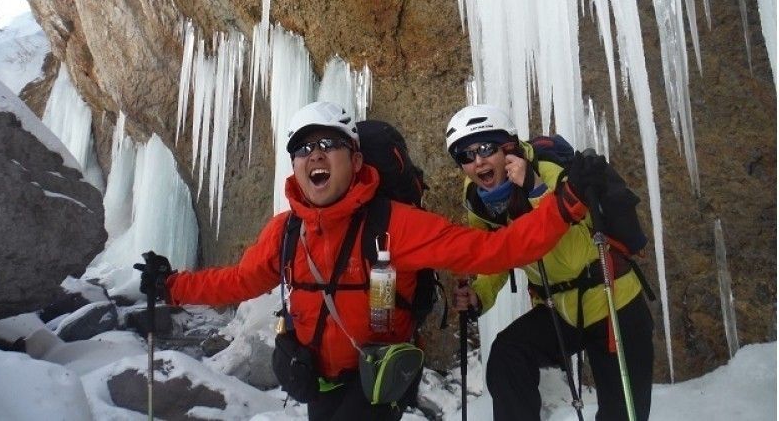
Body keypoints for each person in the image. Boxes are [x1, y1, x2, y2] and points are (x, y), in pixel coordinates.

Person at [137, 101, 607, 421]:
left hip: (379, 375)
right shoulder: (287, 231)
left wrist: (563, 206)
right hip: (313, 377)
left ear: (355, 159)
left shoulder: (395, 224)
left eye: (328, 145)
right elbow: (239, 281)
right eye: (304, 148)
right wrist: (171, 287)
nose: (314, 155)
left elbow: (493, 250)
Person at [447, 104, 654, 421]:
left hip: (613, 303)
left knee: (622, 413)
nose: (478, 162)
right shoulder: (478, 199)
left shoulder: (551, 175)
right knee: (509, 354)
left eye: (486, 148)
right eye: (466, 155)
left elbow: (571, 256)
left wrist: (535, 190)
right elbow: (494, 254)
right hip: (560, 308)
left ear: (508, 148)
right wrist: (480, 294)